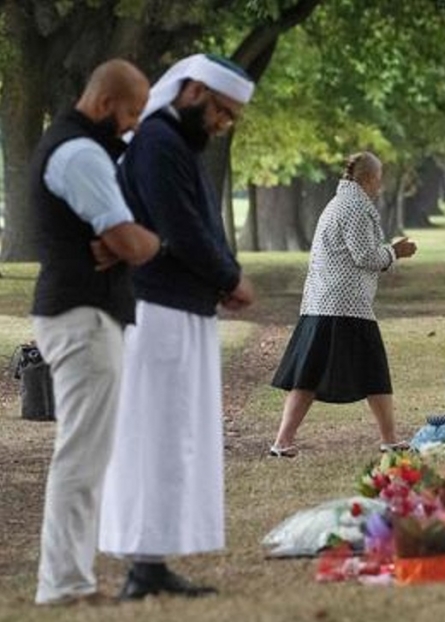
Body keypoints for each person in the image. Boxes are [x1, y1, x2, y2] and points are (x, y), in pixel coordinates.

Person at [98, 54, 256, 600]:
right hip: (156, 310)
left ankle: (152, 561)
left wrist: (223, 276)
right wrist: (229, 277)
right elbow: (180, 228)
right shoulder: (157, 142)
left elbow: (200, 226)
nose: (222, 124)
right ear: (192, 91)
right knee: (153, 436)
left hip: (181, 308)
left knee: (174, 437)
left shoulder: (176, 145)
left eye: (230, 117)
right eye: (221, 111)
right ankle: (141, 564)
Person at [28, 59, 158, 607]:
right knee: (81, 456)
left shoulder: (77, 145)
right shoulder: (81, 153)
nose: (133, 126)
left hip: (85, 311)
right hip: (82, 315)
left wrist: (129, 238)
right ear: (105, 103)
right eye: (131, 113)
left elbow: (122, 237)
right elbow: (130, 240)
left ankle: (71, 577)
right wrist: (150, 241)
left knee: (88, 453)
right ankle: (64, 583)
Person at [269, 152, 418, 457]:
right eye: (379, 179)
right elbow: (365, 256)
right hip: (345, 304)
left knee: (313, 373)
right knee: (372, 370)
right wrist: (395, 252)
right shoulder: (355, 207)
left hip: (324, 302)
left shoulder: (339, 203)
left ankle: (283, 442)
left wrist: (388, 253)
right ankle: (389, 439)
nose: (380, 186)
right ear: (368, 179)